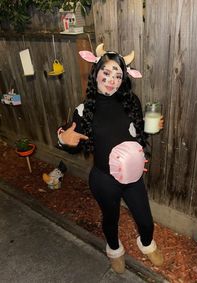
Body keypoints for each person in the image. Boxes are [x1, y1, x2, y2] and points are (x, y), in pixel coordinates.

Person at [57, 43, 164, 274]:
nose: (112, 80)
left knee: (145, 220)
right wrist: (64, 140)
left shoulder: (130, 101)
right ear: (96, 73)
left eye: (118, 75)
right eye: (107, 73)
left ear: (124, 78)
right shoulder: (85, 109)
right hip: (104, 179)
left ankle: (146, 244)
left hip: (133, 178)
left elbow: (136, 134)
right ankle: (114, 249)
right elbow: (74, 143)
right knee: (110, 219)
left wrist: (148, 126)